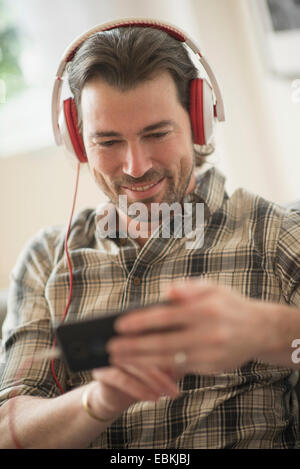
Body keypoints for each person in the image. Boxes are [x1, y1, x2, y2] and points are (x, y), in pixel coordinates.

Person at [0, 19, 300, 449]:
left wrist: (267, 331)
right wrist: (99, 400)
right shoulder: (47, 258)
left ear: (200, 121)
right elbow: (8, 432)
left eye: (156, 133)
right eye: (107, 142)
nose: (135, 166)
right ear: (78, 141)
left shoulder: (272, 235)